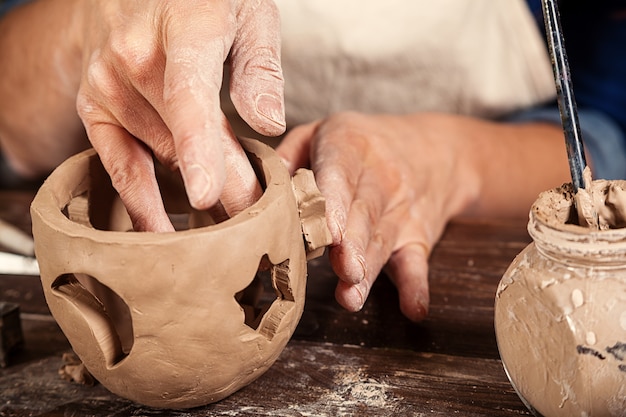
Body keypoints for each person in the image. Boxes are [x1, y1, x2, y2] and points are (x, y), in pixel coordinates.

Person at [1, 0, 625, 323]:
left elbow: (604, 119)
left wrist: (452, 159)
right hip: (127, 194)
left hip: (461, 197)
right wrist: (89, 22)